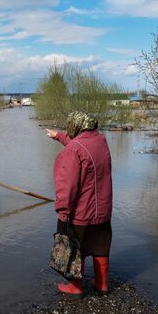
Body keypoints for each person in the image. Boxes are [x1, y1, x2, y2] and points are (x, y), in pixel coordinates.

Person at [46, 111, 113, 297]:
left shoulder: (72, 151)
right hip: (103, 210)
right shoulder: (100, 141)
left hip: (81, 212)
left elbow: (67, 186)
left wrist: (63, 211)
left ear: (74, 126)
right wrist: (58, 136)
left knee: (76, 247)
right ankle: (102, 283)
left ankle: (76, 287)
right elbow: (82, 146)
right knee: (100, 244)